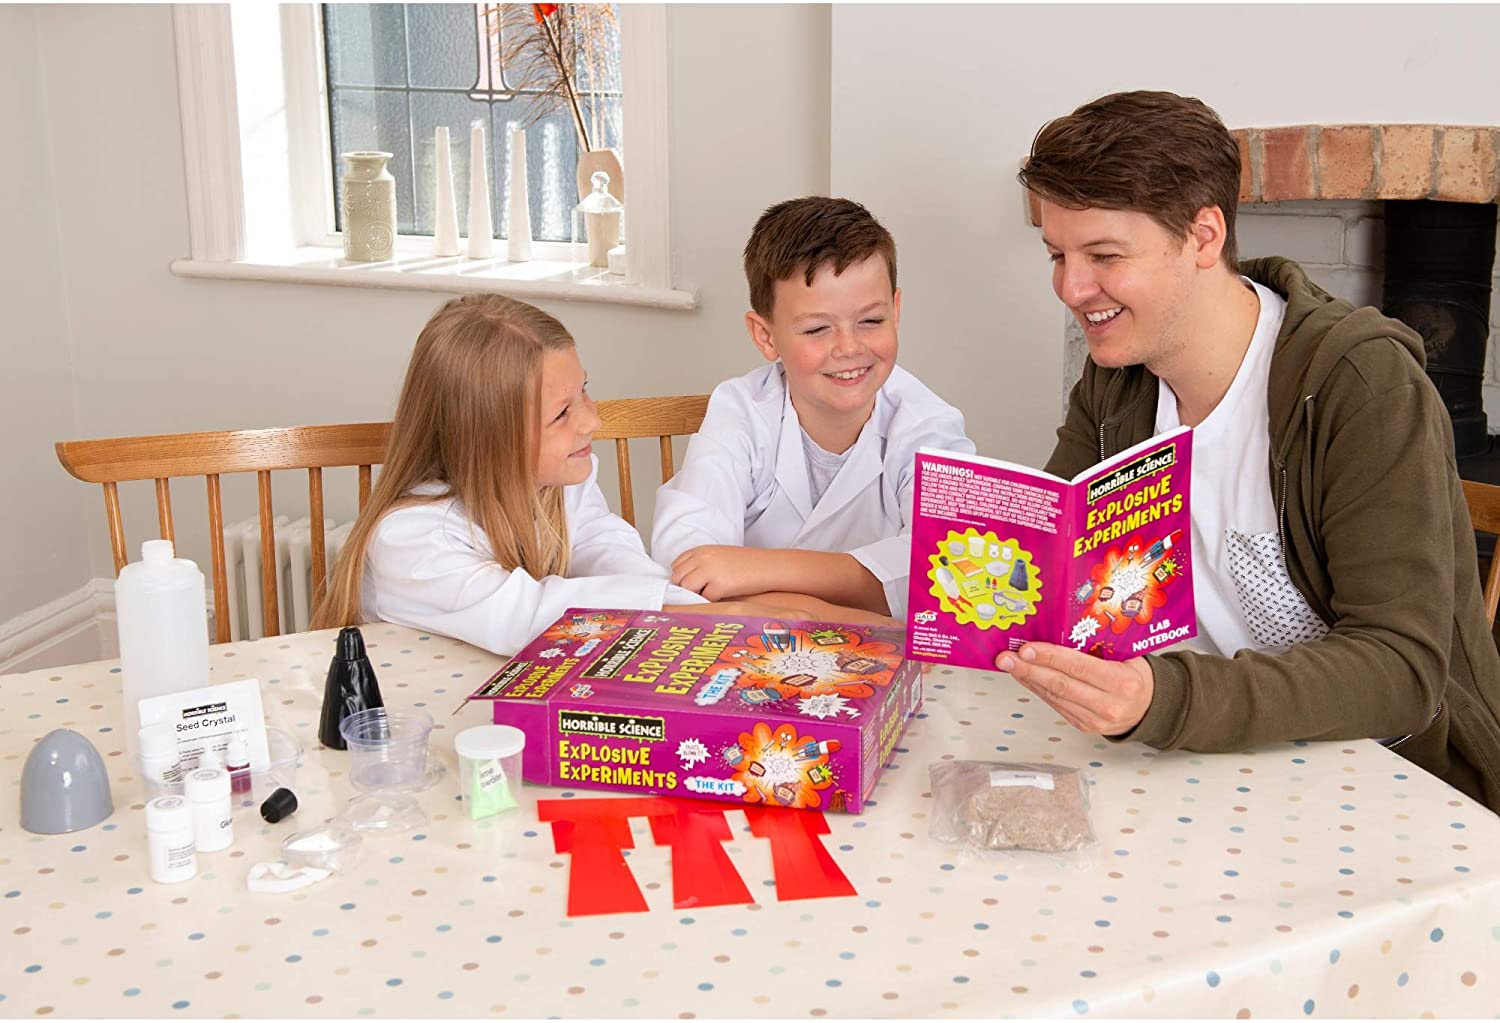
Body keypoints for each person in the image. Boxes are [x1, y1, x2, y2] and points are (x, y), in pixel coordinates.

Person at [1002, 89, 1500, 809]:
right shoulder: (1117, 378)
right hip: (1197, 767)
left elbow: (1402, 669)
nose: (1071, 288)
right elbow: (1055, 564)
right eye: (1058, 254)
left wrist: (1162, 697)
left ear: (1204, 236)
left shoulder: (1360, 386)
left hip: (1391, 785)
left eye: (1104, 255)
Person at [312, 294, 881, 655]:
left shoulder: (557, 480)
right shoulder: (409, 538)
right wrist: (696, 613)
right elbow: (528, 615)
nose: (593, 420)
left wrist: (687, 607)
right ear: (488, 438)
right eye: (562, 413)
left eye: (584, 390)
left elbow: (603, 545)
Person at [650, 196, 975, 617]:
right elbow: (688, 566)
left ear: (895, 311)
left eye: (871, 321)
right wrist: (842, 602)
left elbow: (947, 577)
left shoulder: (929, 426)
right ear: (766, 336)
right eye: (817, 329)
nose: (849, 348)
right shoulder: (739, 411)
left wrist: (760, 570)